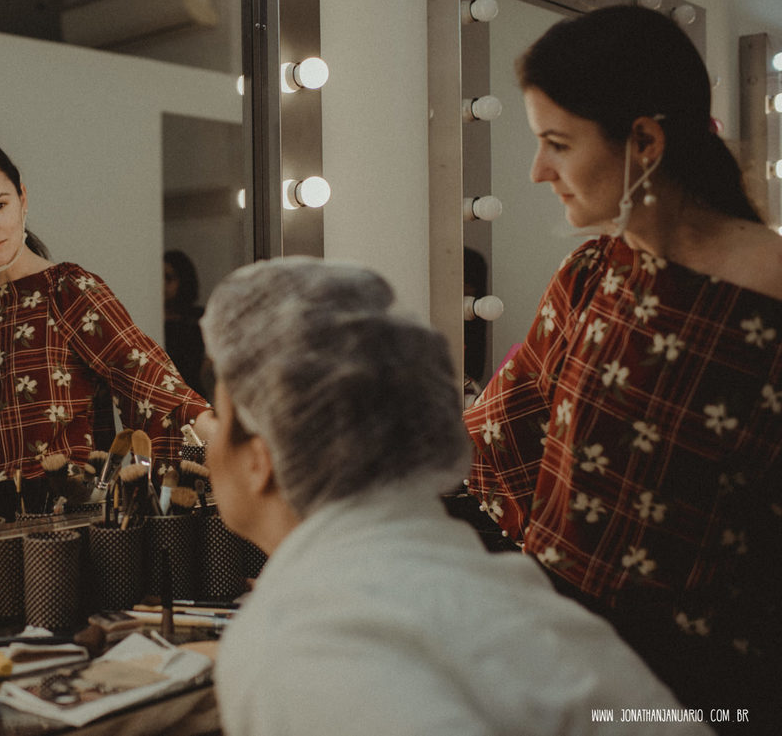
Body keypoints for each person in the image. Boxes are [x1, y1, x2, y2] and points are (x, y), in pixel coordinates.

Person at [199, 256, 706, 736]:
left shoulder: (306, 638)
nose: (206, 435)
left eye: (217, 417)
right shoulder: (502, 592)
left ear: (259, 459)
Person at [463, 5, 782, 722]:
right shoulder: (592, 272)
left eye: (557, 143)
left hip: (711, 695)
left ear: (644, 140)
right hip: (566, 664)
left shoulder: (771, 303)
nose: (538, 170)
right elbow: (495, 436)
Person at [0, 138, 214, 533]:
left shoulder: (67, 288)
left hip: (67, 519)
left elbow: (151, 382)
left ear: (22, 198)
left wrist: (229, 443)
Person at [163, 249, 209, 400]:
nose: (162, 285)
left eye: (168, 278)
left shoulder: (198, 319)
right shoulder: (149, 318)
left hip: (194, 396)